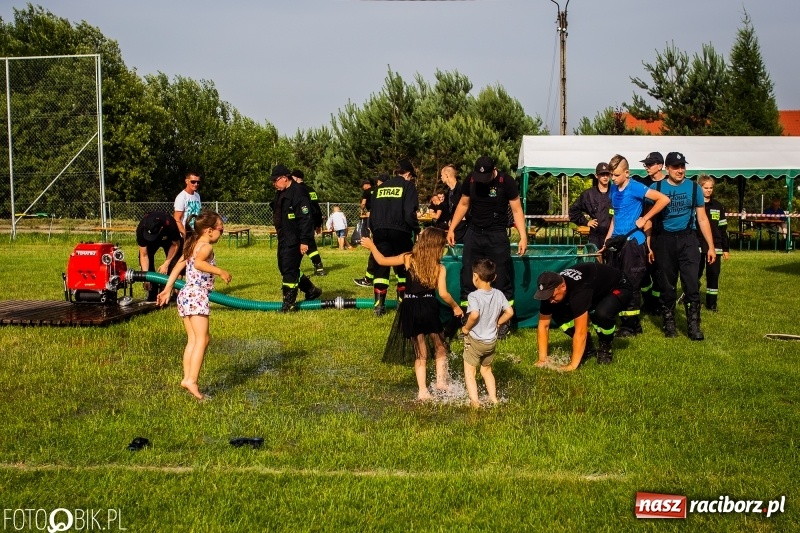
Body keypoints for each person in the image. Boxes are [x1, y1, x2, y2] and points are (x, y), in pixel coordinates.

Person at [360, 228, 463, 400]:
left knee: (420, 351)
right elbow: (443, 294)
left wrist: (371, 246)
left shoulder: (408, 258)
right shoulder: (439, 267)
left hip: (410, 306)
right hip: (429, 306)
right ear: (437, 248)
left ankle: (423, 391)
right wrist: (455, 307)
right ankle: (441, 383)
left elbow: (382, 260)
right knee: (440, 345)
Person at [447, 156, 527, 339]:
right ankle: (468, 315)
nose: (482, 181)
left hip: (497, 233)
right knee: (468, 272)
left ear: (494, 170)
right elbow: (463, 204)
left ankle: (504, 319)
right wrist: (452, 228)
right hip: (474, 231)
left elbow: (516, 210)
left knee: (501, 275)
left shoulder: (506, 181)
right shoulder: (471, 179)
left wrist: (523, 236)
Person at [156, 211, 231, 400]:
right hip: (197, 295)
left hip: (185, 294)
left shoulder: (191, 245)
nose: (222, 232)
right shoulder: (205, 247)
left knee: (193, 339)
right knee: (203, 340)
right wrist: (219, 271)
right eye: (221, 229)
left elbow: (178, 267)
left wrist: (167, 289)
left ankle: (187, 378)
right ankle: (192, 381)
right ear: (209, 230)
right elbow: (198, 264)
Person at [650, 152, 716, 340]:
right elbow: (646, 216)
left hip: (688, 240)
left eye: (682, 166)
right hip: (665, 240)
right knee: (667, 284)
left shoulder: (694, 188)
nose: (680, 170)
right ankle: (669, 322)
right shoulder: (656, 187)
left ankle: (694, 326)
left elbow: (702, 219)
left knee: (691, 283)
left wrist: (710, 246)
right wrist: (648, 244)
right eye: (676, 167)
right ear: (667, 169)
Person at [602, 155, 669, 337]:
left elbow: (663, 199)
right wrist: (606, 241)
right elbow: (616, 217)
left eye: (616, 175)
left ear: (626, 172)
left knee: (631, 284)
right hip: (617, 242)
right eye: (611, 175)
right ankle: (626, 322)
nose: (612, 179)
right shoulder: (613, 190)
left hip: (633, 242)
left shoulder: (636, 187)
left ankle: (631, 326)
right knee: (616, 283)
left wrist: (645, 218)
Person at [534, 262, 633, 371]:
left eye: (552, 296)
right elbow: (543, 326)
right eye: (546, 297)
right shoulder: (549, 293)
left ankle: (605, 346)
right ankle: (588, 348)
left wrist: (572, 366)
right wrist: (542, 360)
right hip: (595, 288)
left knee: (601, 314)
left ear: (563, 287)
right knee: (558, 314)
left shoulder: (578, 291)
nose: (550, 301)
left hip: (620, 286)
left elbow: (581, 331)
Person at [367, 160, 420, 316]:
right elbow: (410, 212)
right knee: (404, 266)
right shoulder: (408, 186)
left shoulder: (379, 188)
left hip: (379, 230)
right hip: (400, 231)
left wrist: (374, 230)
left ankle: (379, 306)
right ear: (408, 174)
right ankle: (402, 305)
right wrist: (416, 229)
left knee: (381, 267)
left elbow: (372, 213)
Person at [461, 258, 514, 408]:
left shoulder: (474, 296)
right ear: (494, 277)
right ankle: (493, 399)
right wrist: (498, 323)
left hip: (476, 341)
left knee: (470, 372)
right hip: (491, 341)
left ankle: (475, 402)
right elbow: (509, 312)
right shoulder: (498, 294)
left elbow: (474, 315)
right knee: (486, 370)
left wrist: (466, 328)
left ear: (475, 276)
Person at [271, 164, 322, 312]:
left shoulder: (299, 192)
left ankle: (289, 303)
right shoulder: (281, 192)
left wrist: (305, 241)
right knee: (284, 267)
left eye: (275, 180)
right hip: (284, 237)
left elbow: (306, 218)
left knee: (289, 269)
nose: (274, 184)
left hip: (296, 238)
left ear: (284, 178)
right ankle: (311, 290)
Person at [634, 152, 666, 315]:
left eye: (650, 164)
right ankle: (648, 301)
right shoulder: (642, 183)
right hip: (645, 232)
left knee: (660, 272)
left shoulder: (668, 184)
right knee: (644, 270)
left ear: (660, 166)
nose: (646, 167)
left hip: (664, 234)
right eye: (645, 164)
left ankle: (658, 303)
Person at [696, 175, 730, 312]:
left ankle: (712, 304)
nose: (709, 190)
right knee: (695, 274)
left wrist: (726, 248)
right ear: (700, 188)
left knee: (713, 275)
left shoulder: (718, 206)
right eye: (706, 188)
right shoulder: (695, 204)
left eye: (711, 188)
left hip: (715, 246)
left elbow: (723, 229)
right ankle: (693, 299)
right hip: (698, 244)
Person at [135, 211, 182, 301]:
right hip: (151, 243)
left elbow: (176, 245)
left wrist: (166, 263)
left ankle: (168, 291)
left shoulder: (170, 224)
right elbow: (144, 255)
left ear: (161, 228)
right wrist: (146, 277)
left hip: (169, 240)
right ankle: (152, 294)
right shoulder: (141, 228)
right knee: (148, 265)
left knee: (174, 262)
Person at [568, 161, 613, 254]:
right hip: (595, 236)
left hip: (613, 235)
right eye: (602, 174)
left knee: (611, 266)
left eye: (607, 174)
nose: (605, 177)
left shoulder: (616, 192)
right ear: (596, 176)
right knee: (595, 265)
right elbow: (573, 211)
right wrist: (586, 222)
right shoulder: (588, 194)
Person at [354, 174, 388, 287]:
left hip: (375, 220)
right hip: (391, 224)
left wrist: (362, 209)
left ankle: (368, 279)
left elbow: (363, 203)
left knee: (376, 249)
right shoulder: (385, 191)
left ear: (366, 185)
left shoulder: (370, 191)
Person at [291, 169, 326, 276]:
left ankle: (292, 269)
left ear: (295, 177)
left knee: (300, 245)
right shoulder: (311, 190)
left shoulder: (296, 190)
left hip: (299, 222)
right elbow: (316, 208)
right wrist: (318, 223)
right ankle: (319, 267)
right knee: (311, 245)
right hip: (311, 222)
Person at [440, 164, 468, 243]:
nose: (441, 177)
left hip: (462, 225)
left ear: (447, 175)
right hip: (454, 224)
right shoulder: (449, 191)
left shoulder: (461, 188)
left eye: (441, 175)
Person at [174, 171, 202, 237]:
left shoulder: (197, 196)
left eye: (198, 182)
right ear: (186, 181)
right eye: (193, 182)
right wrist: (184, 234)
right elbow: (177, 218)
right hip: (185, 235)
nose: (196, 184)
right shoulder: (181, 197)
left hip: (196, 233)